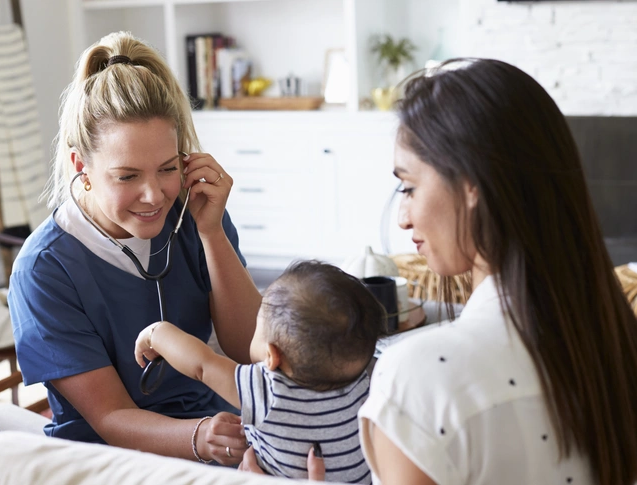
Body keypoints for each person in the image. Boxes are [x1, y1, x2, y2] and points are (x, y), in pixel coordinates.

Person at [242, 58, 637, 485]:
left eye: (409, 187)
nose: (403, 218)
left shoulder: (417, 377)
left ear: (473, 186)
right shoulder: (615, 341)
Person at [7, 31, 261, 465]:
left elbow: (248, 347)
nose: (154, 196)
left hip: (212, 433)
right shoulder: (44, 270)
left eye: (166, 169)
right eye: (126, 176)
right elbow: (109, 417)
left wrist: (213, 233)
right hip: (106, 457)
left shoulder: (193, 215)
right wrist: (200, 436)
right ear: (81, 168)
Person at [134, 260, 386, 483]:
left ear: (271, 356)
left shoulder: (267, 390)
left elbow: (203, 364)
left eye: (258, 324)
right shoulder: (360, 382)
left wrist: (158, 333)